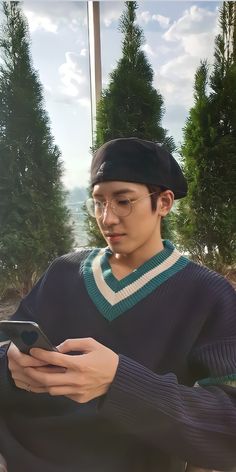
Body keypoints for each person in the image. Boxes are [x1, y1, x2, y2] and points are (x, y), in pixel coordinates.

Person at [0, 137, 236, 472]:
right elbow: (10, 346)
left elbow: (228, 430)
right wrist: (9, 366)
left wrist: (118, 383)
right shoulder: (63, 271)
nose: (107, 218)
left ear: (164, 202)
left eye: (123, 201)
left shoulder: (209, 295)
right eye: (98, 203)